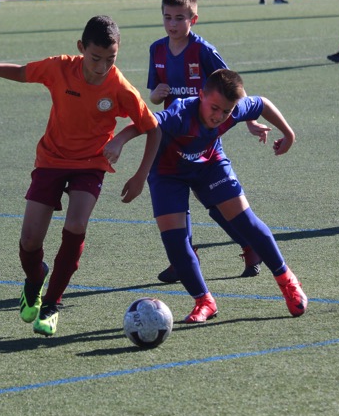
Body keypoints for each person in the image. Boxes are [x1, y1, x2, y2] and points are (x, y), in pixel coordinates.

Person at [0, 15, 161, 336]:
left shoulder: (119, 87)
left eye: (110, 59)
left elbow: (151, 128)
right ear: (80, 48)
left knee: (76, 225)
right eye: (95, 58)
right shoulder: (60, 68)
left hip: (91, 164)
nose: (102, 66)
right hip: (51, 160)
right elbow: (21, 72)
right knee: (30, 241)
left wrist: (137, 168)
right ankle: (36, 278)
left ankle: (51, 304)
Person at [107, 69, 307, 324]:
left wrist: (289, 134)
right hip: (168, 173)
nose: (219, 116)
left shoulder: (231, 110)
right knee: (176, 243)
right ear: (200, 95)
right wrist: (120, 142)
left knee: (246, 221)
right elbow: (147, 124)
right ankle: (204, 301)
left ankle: (288, 281)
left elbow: (262, 104)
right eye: (214, 108)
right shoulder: (180, 113)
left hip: (209, 164)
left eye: (225, 111)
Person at [144, 0, 270, 283]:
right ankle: (182, 258)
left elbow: (232, 88)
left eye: (179, 18)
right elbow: (154, 93)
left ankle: (249, 244)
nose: (172, 24)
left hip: (203, 138)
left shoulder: (203, 51)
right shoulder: (157, 50)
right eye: (167, 17)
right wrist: (154, 94)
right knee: (174, 202)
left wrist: (251, 119)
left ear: (193, 19)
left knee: (215, 203)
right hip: (170, 139)